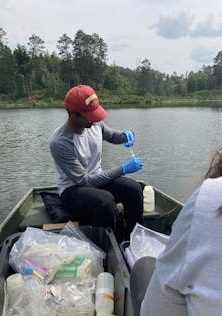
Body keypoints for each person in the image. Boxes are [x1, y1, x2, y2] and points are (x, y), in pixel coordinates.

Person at [49, 85, 143, 240]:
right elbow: (85, 181)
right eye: (88, 115)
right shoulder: (60, 142)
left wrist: (127, 135)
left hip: (97, 180)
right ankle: (106, 249)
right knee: (105, 202)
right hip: (73, 189)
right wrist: (123, 169)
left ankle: (134, 240)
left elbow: (113, 136)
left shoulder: (94, 123)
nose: (93, 119)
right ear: (72, 113)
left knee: (133, 189)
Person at [141, 147, 222, 316]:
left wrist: (123, 137)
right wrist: (121, 170)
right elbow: (83, 178)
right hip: (84, 185)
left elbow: (154, 310)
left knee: (144, 267)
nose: (94, 124)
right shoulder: (68, 141)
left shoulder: (210, 196)